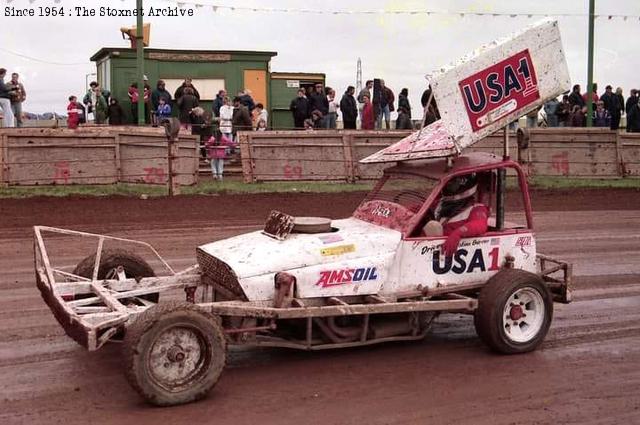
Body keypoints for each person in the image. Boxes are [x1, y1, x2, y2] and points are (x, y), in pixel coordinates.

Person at [423, 174, 489, 257]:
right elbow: (419, 210)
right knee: (431, 225)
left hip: (444, 252)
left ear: (464, 184)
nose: (448, 186)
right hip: (427, 249)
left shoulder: (477, 208)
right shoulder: (439, 204)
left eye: (453, 183)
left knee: (433, 225)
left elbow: (480, 225)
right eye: (447, 183)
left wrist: (457, 234)